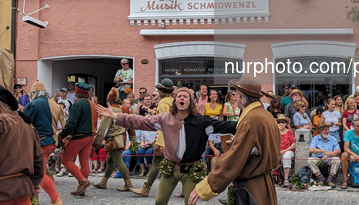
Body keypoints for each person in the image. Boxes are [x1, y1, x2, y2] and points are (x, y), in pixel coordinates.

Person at [97, 86, 238, 205]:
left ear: (191, 101)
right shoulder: (165, 119)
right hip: (170, 168)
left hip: (192, 169)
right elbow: (140, 121)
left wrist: (246, 122)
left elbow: (225, 126)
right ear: (175, 101)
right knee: (160, 202)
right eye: (179, 96)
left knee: (190, 203)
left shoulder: (201, 122)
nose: (181, 98)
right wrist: (116, 116)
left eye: (185, 96)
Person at [190, 76, 280, 205]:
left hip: (252, 188)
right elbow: (261, 148)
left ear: (241, 96)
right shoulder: (266, 115)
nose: (235, 96)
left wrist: (205, 187)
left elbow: (234, 160)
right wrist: (237, 143)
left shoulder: (250, 119)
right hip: (265, 183)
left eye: (236, 93)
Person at [130, 78, 176, 197]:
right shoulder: (171, 100)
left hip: (164, 139)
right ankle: (187, 189)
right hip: (170, 138)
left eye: (158, 89)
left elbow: (166, 123)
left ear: (162, 90)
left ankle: (146, 188)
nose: (157, 91)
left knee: (157, 164)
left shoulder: (164, 102)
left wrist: (160, 141)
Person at [23, 81, 64, 205]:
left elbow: (24, 123)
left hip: (40, 143)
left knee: (39, 173)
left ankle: (56, 199)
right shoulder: (54, 104)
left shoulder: (33, 104)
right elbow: (61, 123)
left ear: (34, 92)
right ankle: (36, 199)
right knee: (42, 168)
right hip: (51, 141)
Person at [58, 82, 98, 197]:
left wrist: (62, 135)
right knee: (84, 161)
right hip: (90, 136)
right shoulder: (92, 104)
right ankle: (81, 188)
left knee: (65, 160)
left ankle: (82, 181)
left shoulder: (77, 104)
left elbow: (71, 123)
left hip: (79, 136)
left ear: (77, 92)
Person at [92, 88, 132, 191]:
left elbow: (103, 128)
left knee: (119, 161)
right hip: (121, 137)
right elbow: (130, 124)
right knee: (109, 161)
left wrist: (96, 143)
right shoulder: (124, 108)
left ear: (108, 100)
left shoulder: (109, 110)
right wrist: (132, 137)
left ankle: (128, 184)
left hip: (113, 140)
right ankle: (103, 182)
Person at [308, 120, 341, 188]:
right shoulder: (315, 138)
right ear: (320, 131)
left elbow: (338, 150)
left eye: (328, 129)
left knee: (337, 159)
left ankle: (329, 180)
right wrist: (323, 151)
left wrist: (329, 154)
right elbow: (310, 150)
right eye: (325, 130)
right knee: (310, 160)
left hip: (329, 158)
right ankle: (321, 179)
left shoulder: (332, 138)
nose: (327, 131)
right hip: (318, 158)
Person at [276, 114, 295, 186]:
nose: (280, 124)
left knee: (286, 156)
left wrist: (284, 151)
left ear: (286, 123)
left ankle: (286, 178)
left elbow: (293, 145)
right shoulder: (275, 132)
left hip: (288, 150)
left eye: (282, 122)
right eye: (279, 122)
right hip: (278, 150)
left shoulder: (290, 132)